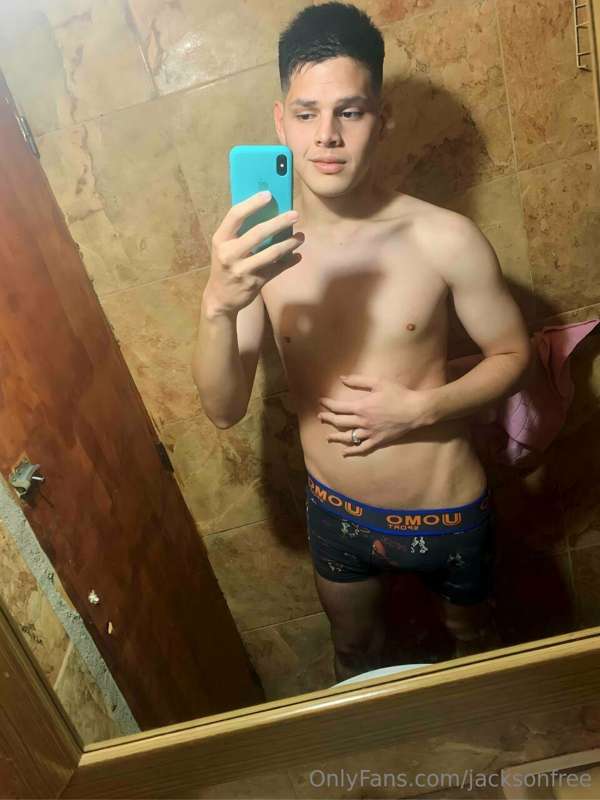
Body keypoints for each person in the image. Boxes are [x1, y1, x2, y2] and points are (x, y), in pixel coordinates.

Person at [192, 2, 532, 682]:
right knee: (354, 652)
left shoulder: (444, 238)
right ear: (281, 122)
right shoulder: (258, 254)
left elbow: (514, 356)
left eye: (349, 111)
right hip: (336, 513)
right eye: (307, 113)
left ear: (382, 119)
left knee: (476, 649)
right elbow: (223, 409)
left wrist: (420, 408)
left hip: (445, 508)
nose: (327, 136)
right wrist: (217, 305)